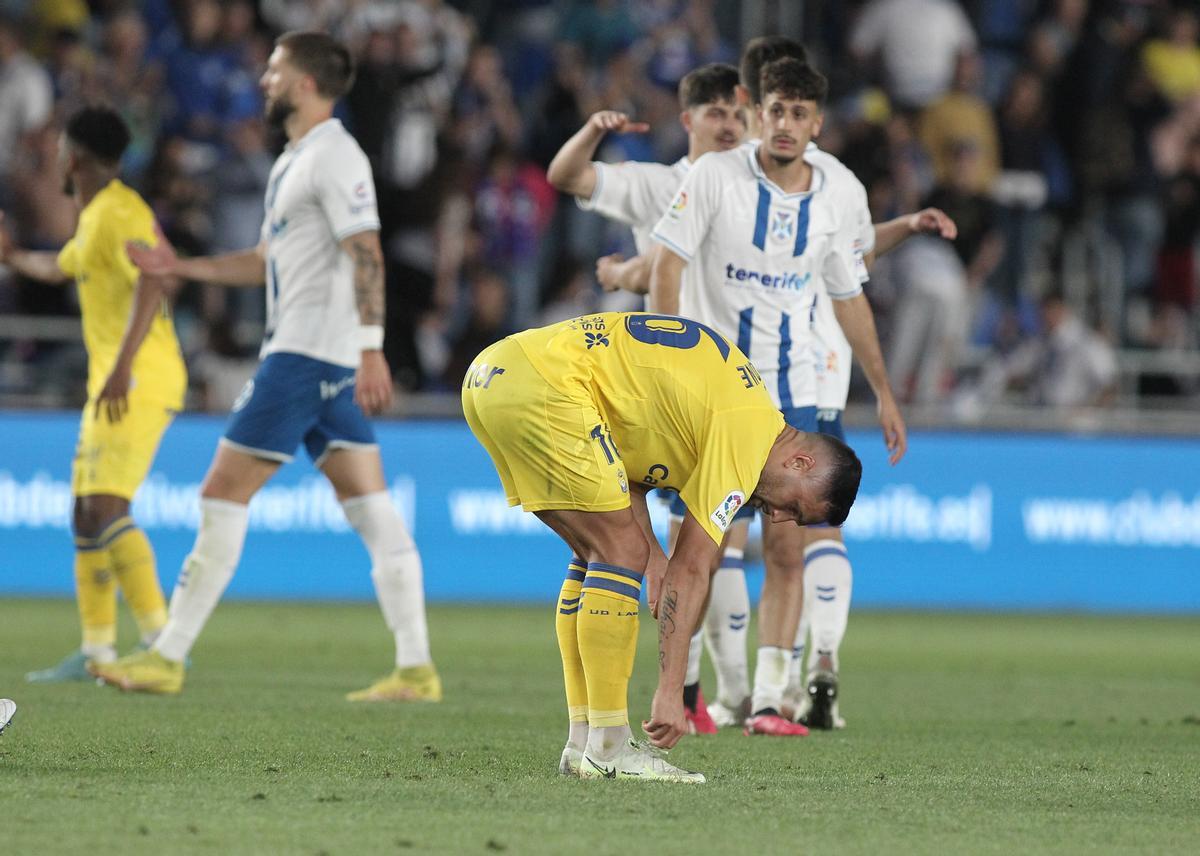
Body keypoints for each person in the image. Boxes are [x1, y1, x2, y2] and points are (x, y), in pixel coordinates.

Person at [90, 31, 440, 702]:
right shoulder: (295, 161)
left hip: (307, 355)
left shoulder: (336, 157)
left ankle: (167, 656)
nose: (264, 81)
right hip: (322, 358)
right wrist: (181, 267)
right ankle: (417, 669)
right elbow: (261, 261)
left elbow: (366, 250)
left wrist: (371, 345)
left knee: (221, 493)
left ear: (306, 84)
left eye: (275, 71)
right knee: (374, 515)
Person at [462, 311, 862, 782]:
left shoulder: (739, 409)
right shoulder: (747, 438)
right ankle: (609, 748)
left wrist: (652, 553)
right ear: (799, 461)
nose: (779, 519)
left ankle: (583, 740)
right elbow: (693, 567)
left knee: (598, 553)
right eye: (796, 507)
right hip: (547, 388)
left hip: (495, 376)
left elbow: (626, 462)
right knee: (618, 554)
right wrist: (674, 692)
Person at [650, 57, 907, 737]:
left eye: (800, 113)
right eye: (775, 111)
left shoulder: (831, 198)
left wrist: (882, 389)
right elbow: (667, 266)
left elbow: (849, 298)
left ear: (816, 124)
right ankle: (689, 690)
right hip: (709, 394)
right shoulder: (712, 178)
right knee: (697, 544)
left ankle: (769, 699)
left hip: (791, 398)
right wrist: (663, 362)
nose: (785, 124)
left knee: (787, 549)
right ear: (756, 112)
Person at [546, 61, 747, 734]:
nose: (730, 125)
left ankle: (724, 691)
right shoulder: (659, 185)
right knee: (667, 546)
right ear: (687, 121)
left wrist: (632, 269)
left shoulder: (755, 189)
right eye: (716, 113)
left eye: (738, 114)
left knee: (718, 546)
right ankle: (692, 694)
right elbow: (567, 178)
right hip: (662, 391)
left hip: (741, 382)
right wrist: (594, 130)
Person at [0, 106, 183, 683]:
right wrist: (10, 258)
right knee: (85, 514)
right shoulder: (98, 215)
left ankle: (163, 642)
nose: (55, 157)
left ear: (74, 156)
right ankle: (97, 650)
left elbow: (155, 277)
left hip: (137, 377)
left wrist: (123, 365)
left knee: (106, 509)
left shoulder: (119, 212)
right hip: (117, 377)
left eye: (59, 148)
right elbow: (61, 267)